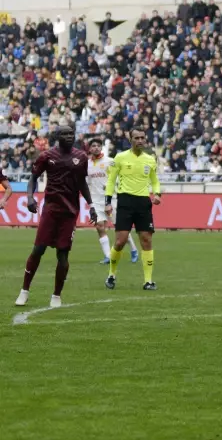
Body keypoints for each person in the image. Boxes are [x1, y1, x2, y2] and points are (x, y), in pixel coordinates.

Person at [14, 126, 97, 308]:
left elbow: (82, 183)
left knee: (63, 255)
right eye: (64, 134)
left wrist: (91, 206)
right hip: (50, 210)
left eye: (71, 133)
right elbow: (33, 178)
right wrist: (30, 197)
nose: (69, 136)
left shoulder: (81, 157)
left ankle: (56, 295)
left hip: (69, 213)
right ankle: (24, 291)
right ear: (57, 137)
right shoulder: (47, 156)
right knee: (38, 250)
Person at [104, 128, 160, 291]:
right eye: (137, 138)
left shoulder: (150, 159)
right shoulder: (120, 157)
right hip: (125, 201)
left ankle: (148, 280)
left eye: (142, 137)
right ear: (131, 140)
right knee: (120, 241)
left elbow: (155, 180)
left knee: (146, 240)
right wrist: (108, 202)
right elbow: (111, 181)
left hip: (143, 202)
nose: (140, 140)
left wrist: (157, 193)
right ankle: (111, 275)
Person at [86, 138, 136, 265]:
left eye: (98, 145)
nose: (96, 147)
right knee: (99, 226)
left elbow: (119, 177)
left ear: (101, 147)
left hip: (110, 199)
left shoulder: (109, 161)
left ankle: (134, 249)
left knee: (120, 228)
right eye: (93, 146)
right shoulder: (87, 164)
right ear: (90, 149)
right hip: (95, 200)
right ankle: (108, 256)